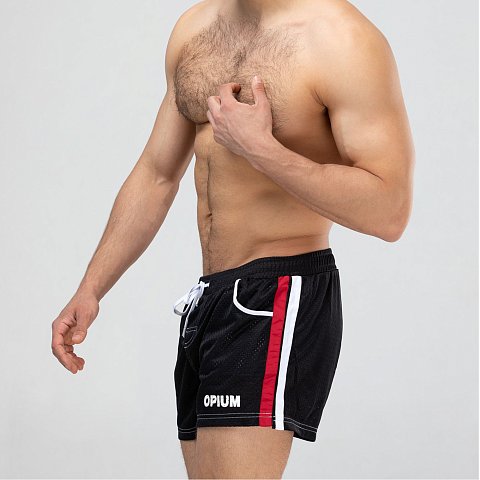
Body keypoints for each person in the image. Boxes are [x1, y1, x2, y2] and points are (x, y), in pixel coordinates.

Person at [51, 0, 415, 477]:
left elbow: (390, 210)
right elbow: (157, 174)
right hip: (210, 297)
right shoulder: (195, 29)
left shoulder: (342, 39)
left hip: (279, 291)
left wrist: (261, 149)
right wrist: (91, 287)